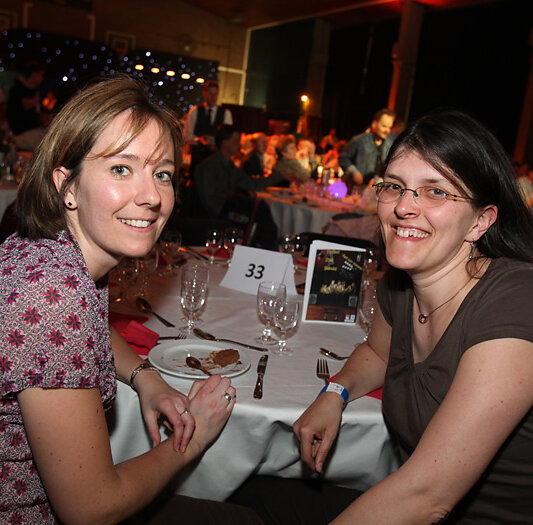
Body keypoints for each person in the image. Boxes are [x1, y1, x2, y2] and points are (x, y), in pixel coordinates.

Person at [0, 76, 262, 524]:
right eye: (121, 169)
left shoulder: (50, 253)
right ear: (67, 185)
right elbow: (91, 509)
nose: (152, 196)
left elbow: (89, 329)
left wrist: (146, 378)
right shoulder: (52, 296)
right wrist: (194, 439)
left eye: (162, 174)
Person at [292, 109, 533, 523]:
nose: (404, 207)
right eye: (394, 186)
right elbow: (378, 353)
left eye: (435, 191)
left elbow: (427, 496)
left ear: (480, 222)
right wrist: (335, 394)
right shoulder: (400, 284)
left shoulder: (516, 300)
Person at [184, 80, 233, 175]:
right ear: (204, 93)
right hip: (198, 158)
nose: (213, 97)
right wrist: (199, 140)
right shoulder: (195, 111)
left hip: (217, 160)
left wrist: (216, 144)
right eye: (210, 93)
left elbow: (228, 138)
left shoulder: (226, 113)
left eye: (215, 94)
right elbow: (187, 135)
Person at [338, 108, 396, 185]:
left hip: (375, 188)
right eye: (384, 126)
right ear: (374, 124)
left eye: (390, 127)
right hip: (356, 187)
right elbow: (343, 158)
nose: (387, 130)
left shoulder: (390, 144)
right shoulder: (359, 140)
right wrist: (354, 171)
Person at [6, 60, 47, 150]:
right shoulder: (17, 90)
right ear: (34, 74)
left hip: (31, 135)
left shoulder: (36, 92)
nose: (42, 78)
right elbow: (12, 114)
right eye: (41, 75)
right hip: (19, 136)